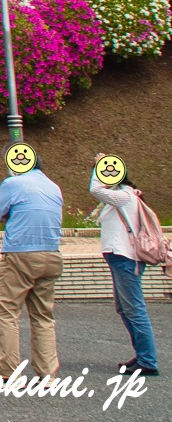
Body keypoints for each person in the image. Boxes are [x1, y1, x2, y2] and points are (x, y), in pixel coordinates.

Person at [0, 155, 63, 380]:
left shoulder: (13, 184)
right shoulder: (53, 186)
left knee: (6, 311)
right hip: (51, 254)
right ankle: (47, 374)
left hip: (21, 254)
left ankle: (8, 371)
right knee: (43, 315)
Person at [91, 153, 159, 377]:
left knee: (134, 309)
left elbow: (95, 189)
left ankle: (147, 360)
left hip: (125, 259)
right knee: (124, 308)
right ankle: (142, 355)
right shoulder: (120, 197)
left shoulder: (125, 196)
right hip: (120, 258)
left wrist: (98, 166)